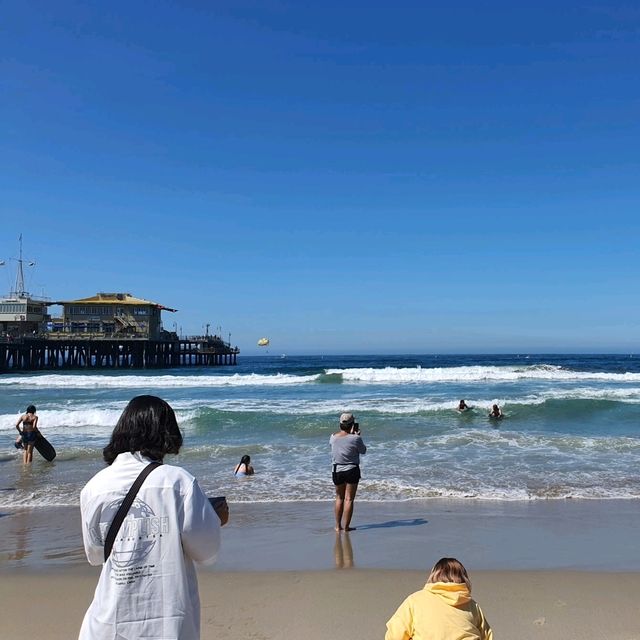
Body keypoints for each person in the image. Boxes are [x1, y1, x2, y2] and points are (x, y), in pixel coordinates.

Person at [78, 395, 228, 640]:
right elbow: (207, 552)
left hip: (107, 626)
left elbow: (96, 554)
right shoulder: (178, 482)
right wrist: (214, 519)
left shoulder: (94, 487)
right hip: (167, 626)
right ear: (166, 433)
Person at [385, 557, 493, 640]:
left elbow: (395, 635)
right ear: (463, 578)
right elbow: (487, 636)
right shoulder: (472, 605)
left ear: (433, 576)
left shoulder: (415, 600)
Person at [330, 412, 366, 532]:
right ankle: (346, 527)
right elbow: (363, 450)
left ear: (340, 424)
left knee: (339, 497)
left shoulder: (333, 437)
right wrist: (357, 436)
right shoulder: (355, 438)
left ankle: (337, 526)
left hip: (336, 470)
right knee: (349, 499)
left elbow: (341, 443)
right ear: (352, 425)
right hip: (351, 469)